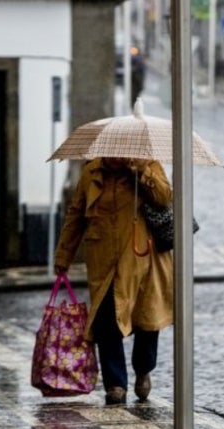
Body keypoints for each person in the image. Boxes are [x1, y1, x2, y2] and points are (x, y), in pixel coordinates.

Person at [53, 157, 174, 405]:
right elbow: (76, 214)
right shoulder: (92, 173)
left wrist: (141, 172)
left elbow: (164, 197)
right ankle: (115, 384)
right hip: (104, 261)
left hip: (142, 259)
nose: (116, 156)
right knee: (106, 321)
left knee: (146, 321)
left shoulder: (147, 165)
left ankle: (143, 369)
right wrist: (63, 256)